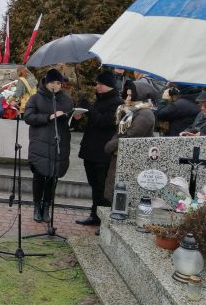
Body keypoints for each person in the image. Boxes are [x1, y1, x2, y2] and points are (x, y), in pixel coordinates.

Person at [24, 68, 74, 223]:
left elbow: (69, 122)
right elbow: (28, 117)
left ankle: (46, 207)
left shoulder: (66, 100)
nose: (55, 85)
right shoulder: (35, 98)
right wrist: (49, 116)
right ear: (46, 82)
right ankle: (37, 206)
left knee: (53, 177)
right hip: (40, 145)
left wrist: (76, 117)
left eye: (58, 82)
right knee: (39, 176)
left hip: (59, 144)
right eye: (52, 82)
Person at [74, 70, 123, 226]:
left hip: (103, 152)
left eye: (101, 84)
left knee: (101, 186)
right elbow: (92, 121)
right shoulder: (99, 99)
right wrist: (80, 114)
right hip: (90, 149)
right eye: (97, 83)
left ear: (109, 85)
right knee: (94, 184)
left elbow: (104, 122)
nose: (97, 86)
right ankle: (95, 214)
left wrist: (90, 109)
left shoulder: (117, 103)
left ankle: (102, 219)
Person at [104, 80, 157, 204]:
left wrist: (110, 145)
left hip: (132, 160)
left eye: (130, 95)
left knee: (123, 197)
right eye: (126, 95)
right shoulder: (133, 112)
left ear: (140, 96)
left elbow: (131, 136)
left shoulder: (145, 114)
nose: (127, 99)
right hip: (123, 158)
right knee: (116, 196)